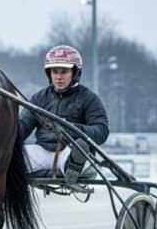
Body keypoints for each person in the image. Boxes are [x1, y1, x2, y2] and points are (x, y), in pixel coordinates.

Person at [19, 45, 109, 187]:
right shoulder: (38, 98)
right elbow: (22, 126)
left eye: (64, 72)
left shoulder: (89, 98)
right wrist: (3, 138)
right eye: (55, 72)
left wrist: (74, 129)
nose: (59, 77)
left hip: (70, 150)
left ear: (75, 72)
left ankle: (71, 170)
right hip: (43, 151)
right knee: (12, 156)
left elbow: (102, 131)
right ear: (49, 73)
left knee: (77, 151)